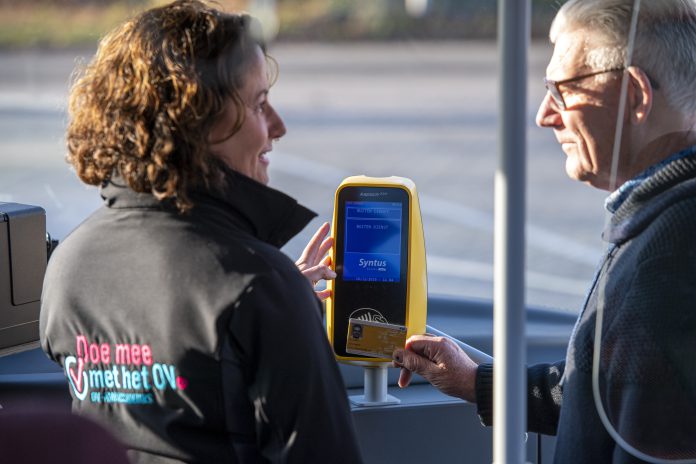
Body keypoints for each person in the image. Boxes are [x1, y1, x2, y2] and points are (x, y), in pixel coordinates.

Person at [39, 1, 363, 462]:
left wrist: (274, 301)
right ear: (198, 123)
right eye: (259, 104)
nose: (278, 127)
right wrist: (273, 302)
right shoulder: (258, 288)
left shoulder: (67, 268)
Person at [394, 0, 696, 462]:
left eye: (562, 90)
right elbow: (609, 391)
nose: (544, 115)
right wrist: (477, 382)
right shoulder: (666, 218)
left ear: (636, 95)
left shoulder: (672, 253)